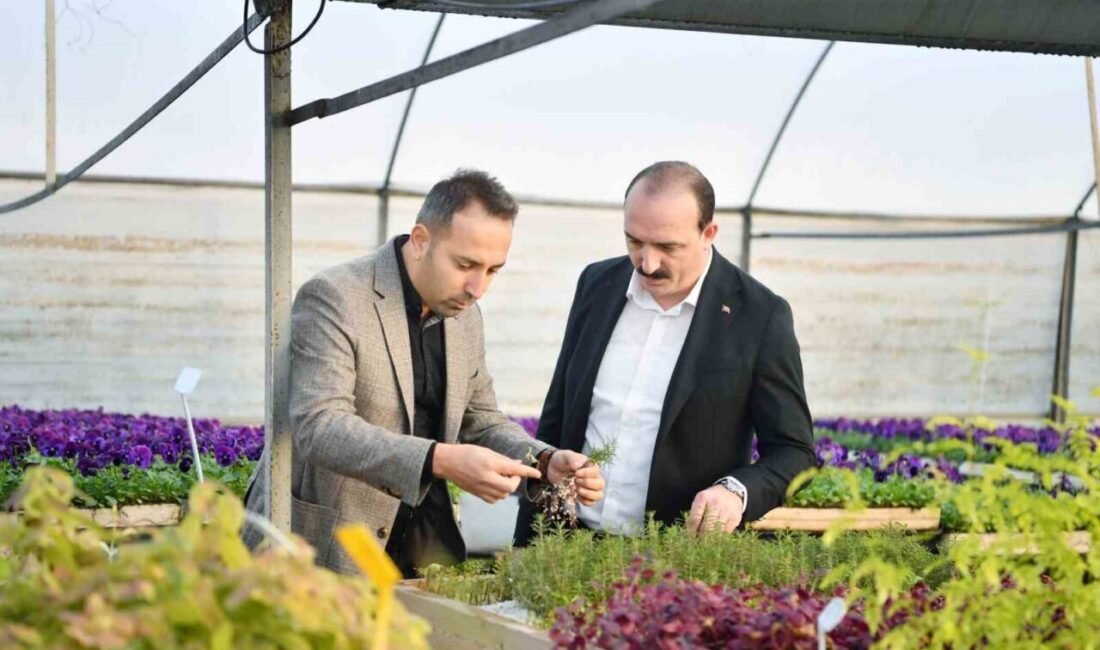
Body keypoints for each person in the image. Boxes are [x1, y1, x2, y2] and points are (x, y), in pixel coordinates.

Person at [245, 169, 605, 576]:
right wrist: (441, 459)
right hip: (325, 547)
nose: (478, 287)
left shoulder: (466, 316)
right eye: (465, 264)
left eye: (492, 270)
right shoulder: (336, 296)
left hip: (422, 545)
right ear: (420, 240)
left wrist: (543, 463)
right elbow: (319, 426)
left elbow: (479, 420)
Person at [515, 161, 815, 545]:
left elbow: (794, 452)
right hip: (565, 543)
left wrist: (735, 491)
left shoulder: (759, 316)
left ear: (709, 233)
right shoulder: (597, 284)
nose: (647, 263)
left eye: (667, 247)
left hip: (674, 554)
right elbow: (558, 411)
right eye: (634, 241)